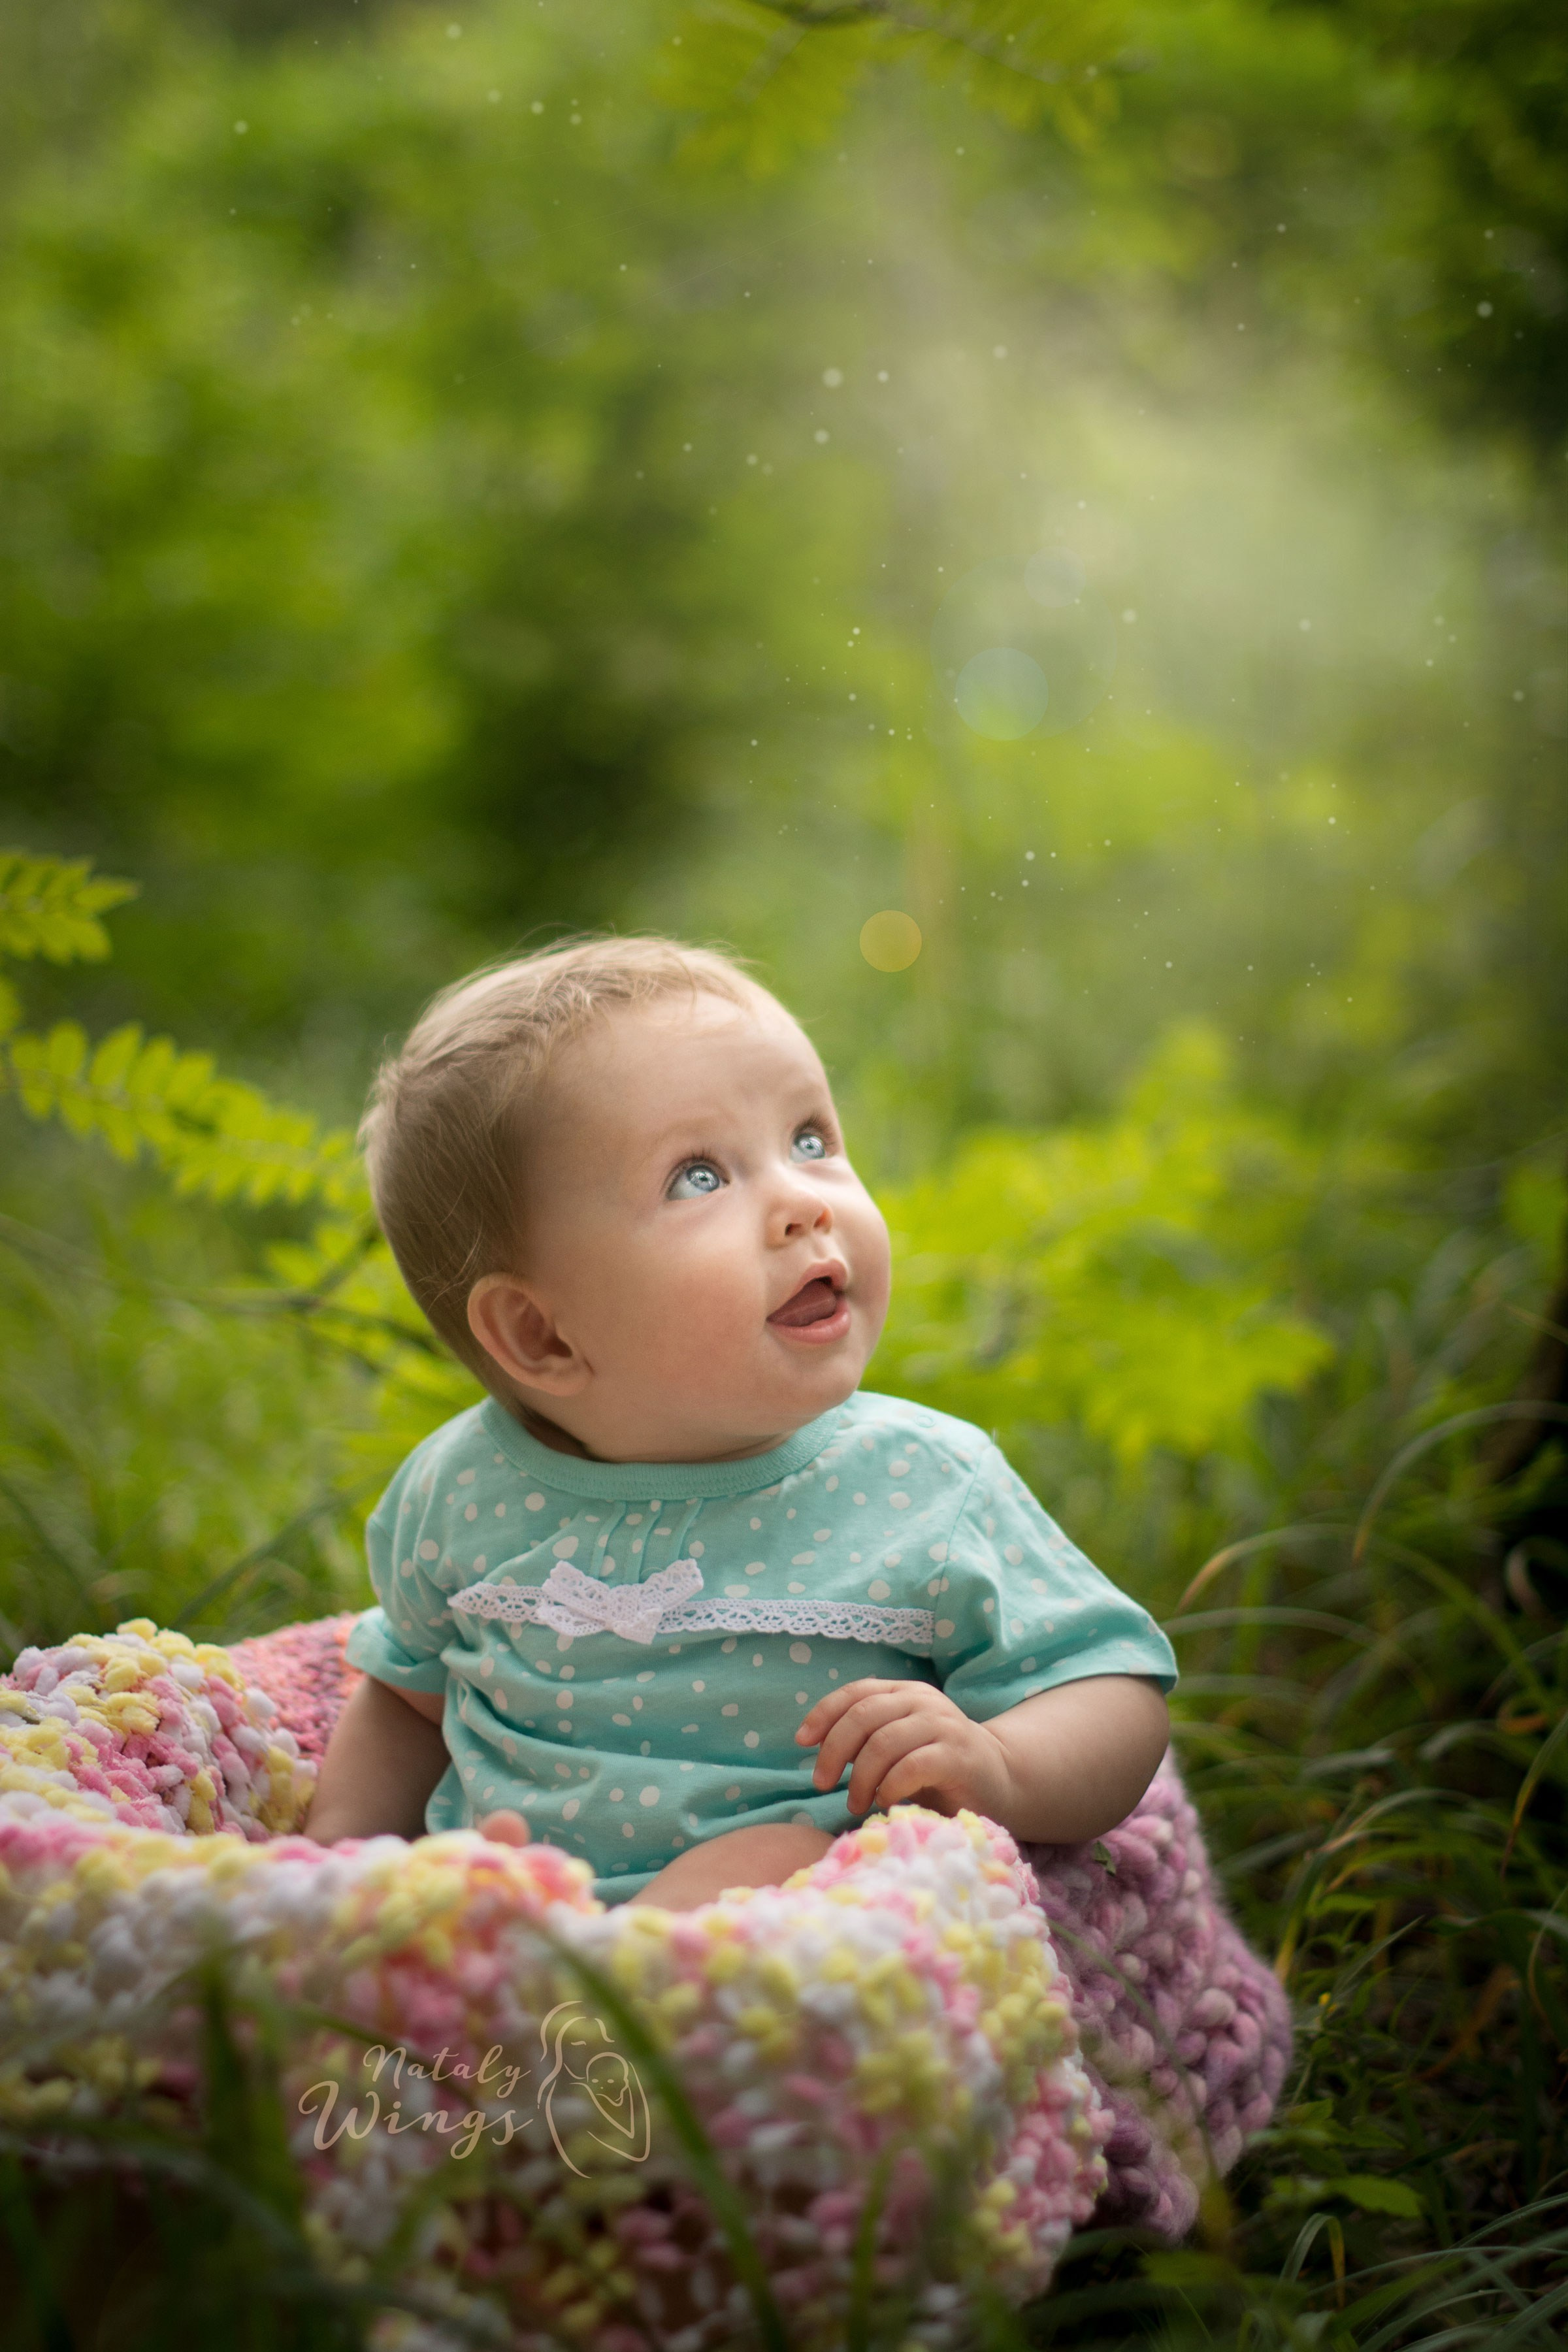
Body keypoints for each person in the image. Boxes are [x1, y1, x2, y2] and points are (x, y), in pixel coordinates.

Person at [303, 938, 1176, 1908]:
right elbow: (408, 1700)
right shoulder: (459, 1490)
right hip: (515, 1907)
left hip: (780, 1950)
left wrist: (1000, 1764)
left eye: (810, 1140)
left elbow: (1112, 1691)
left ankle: (620, 2005)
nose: (803, 1203)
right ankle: (515, 1989)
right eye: (700, 1179)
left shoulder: (923, 1485)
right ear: (541, 1334)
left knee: (767, 1860)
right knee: (459, 1888)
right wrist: (339, 1861)